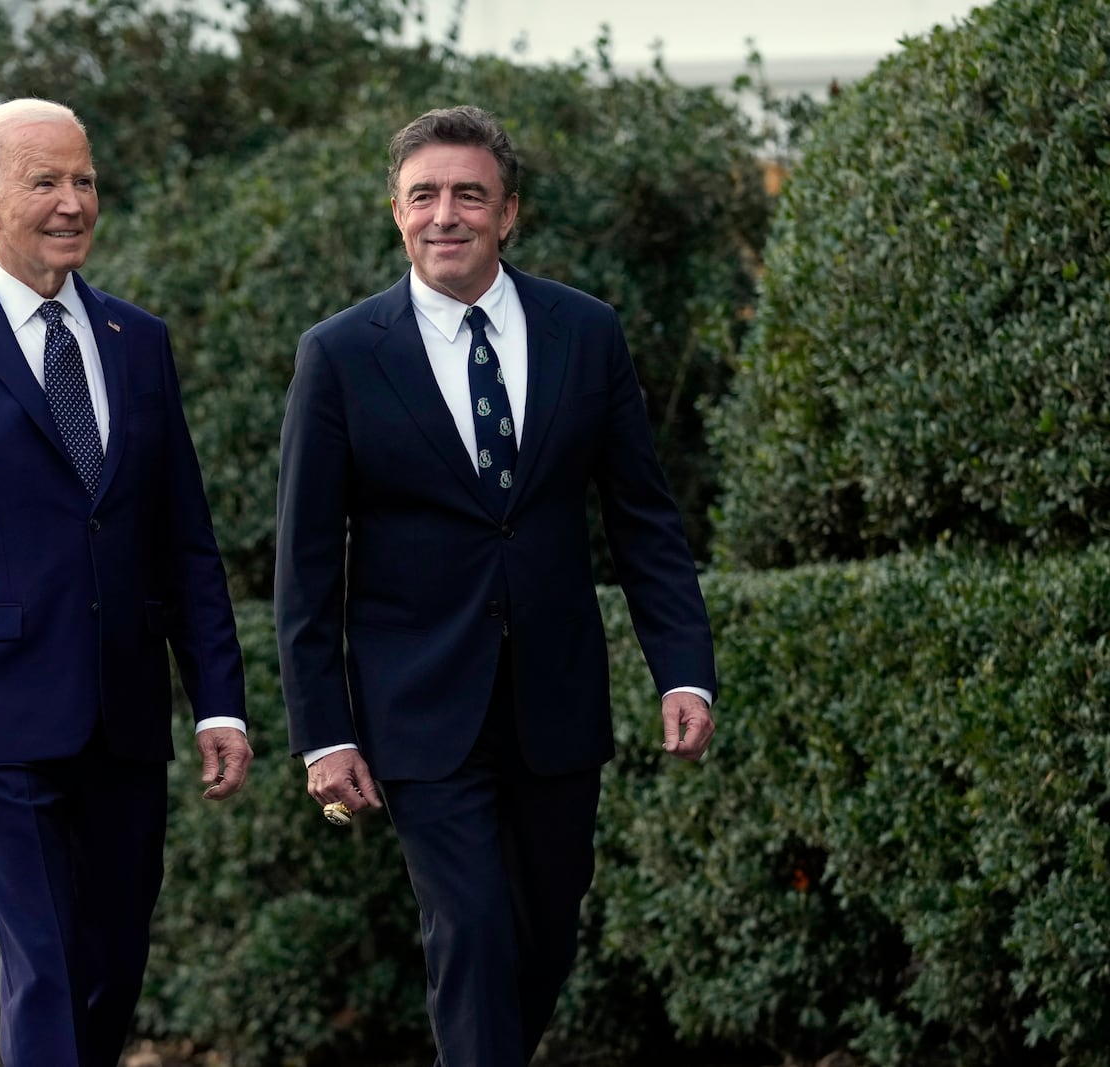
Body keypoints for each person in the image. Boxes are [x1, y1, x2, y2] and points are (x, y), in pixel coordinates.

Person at [274, 105, 716, 1067]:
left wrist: (684, 670)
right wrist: (326, 732)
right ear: (395, 213)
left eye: (468, 194)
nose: (446, 214)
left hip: (556, 698)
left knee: (544, 933)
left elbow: (642, 518)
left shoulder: (585, 332)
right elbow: (306, 568)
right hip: (419, 708)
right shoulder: (341, 355)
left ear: (508, 212)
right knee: (469, 930)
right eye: (423, 195)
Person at [0, 98, 251, 1067]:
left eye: (85, 180)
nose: (73, 202)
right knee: (50, 962)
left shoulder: (134, 338)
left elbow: (182, 539)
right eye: (45, 182)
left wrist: (218, 702)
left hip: (123, 708)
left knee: (111, 958)